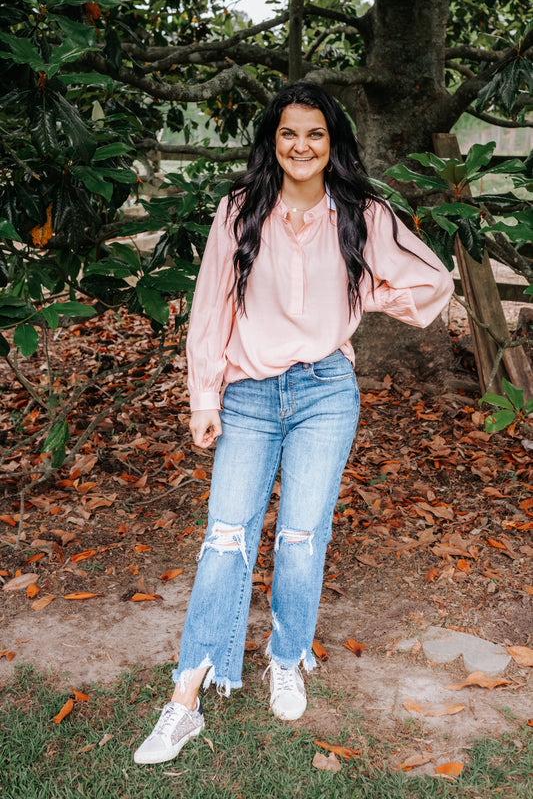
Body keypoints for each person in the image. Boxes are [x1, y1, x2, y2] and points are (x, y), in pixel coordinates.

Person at [133, 82, 454, 765]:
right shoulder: (238, 211)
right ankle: (184, 700)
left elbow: (432, 282)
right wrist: (204, 399)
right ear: (271, 142)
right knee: (225, 538)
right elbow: (209, 312)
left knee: (302, 538)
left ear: (330, 142)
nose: (301, 146)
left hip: (324, 394)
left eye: (314, 134)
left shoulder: (362, 215)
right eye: (287, 134)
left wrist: (367, 288)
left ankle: (286, 657)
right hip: (248, 395)